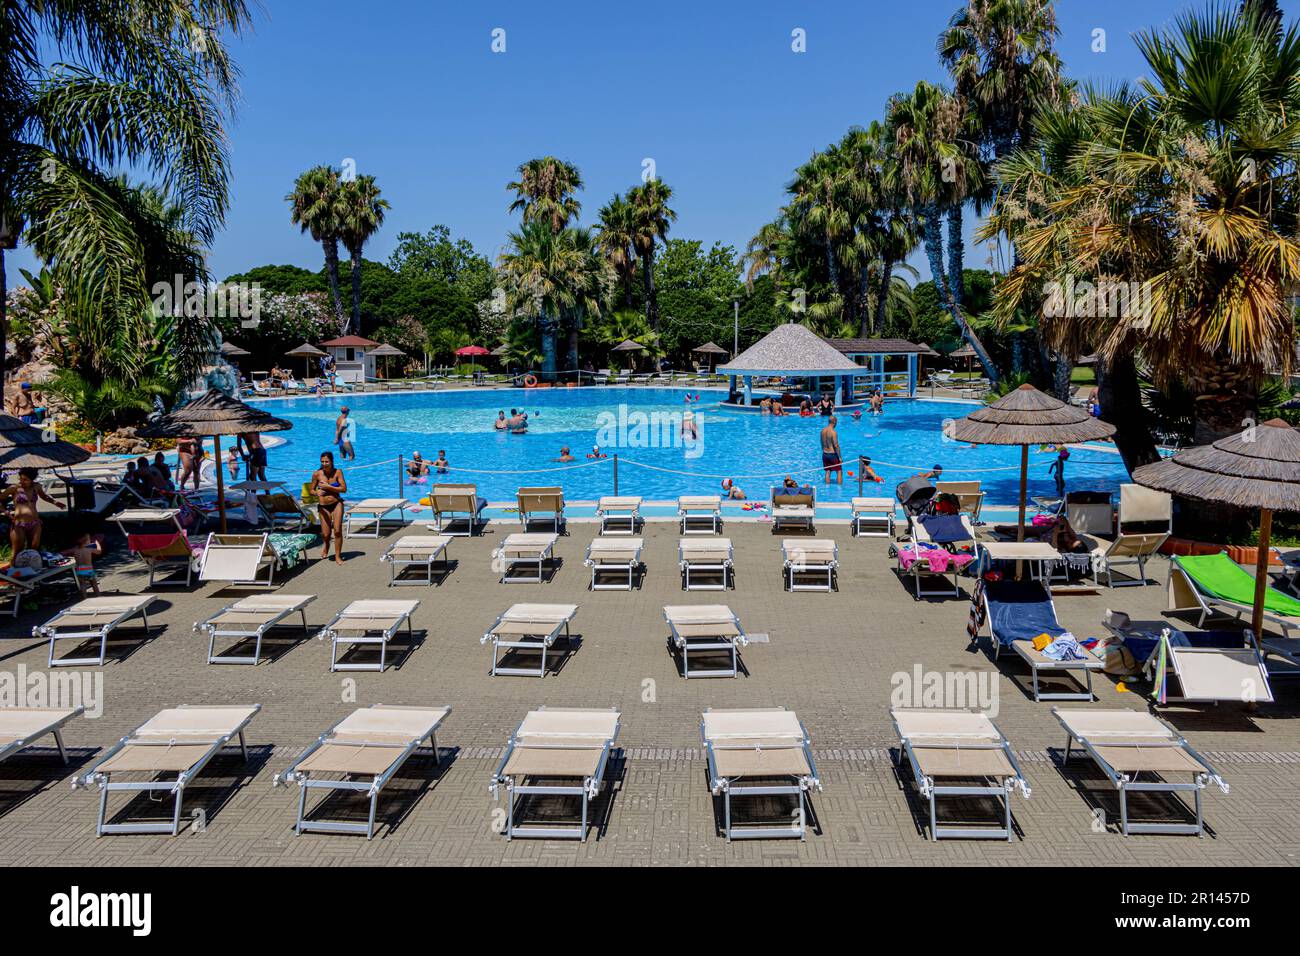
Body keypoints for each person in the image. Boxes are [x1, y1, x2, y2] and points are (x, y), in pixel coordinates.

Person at [2, 467, 63, 552]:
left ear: (32, 479)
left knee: (34, 550)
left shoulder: (36, 486)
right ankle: (14, 565)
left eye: (25, 479)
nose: (22, 481)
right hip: (19, 524)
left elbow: (44, 496)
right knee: (17, 550)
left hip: (35, 523)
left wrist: (55, 502)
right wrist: (4, 511)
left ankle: (32, 564)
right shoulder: (14, 488)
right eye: (20, 479)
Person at [311, 451, 347, 564]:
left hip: (336, 504)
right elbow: (311, 490)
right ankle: (326, 545)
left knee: (337, 531)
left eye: (327, 461)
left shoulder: (338, 472)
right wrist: (316, 493)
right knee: (326, 534)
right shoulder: (317, 474)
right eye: (322, 462)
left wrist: (328, 487)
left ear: (331, 461)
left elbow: (344, 489)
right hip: (323, 506)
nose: (324, 464)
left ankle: (337, 556)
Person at [820, 415, 843, 485]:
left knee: (827, 471)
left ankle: (827, 487)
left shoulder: (822, 431)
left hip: (825, 454)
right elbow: (836, 445)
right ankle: (840, 488)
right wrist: (840, 457)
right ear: (834, 422)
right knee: (839, 471)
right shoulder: (833, 432)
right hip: (832, 454)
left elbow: (821, 442)